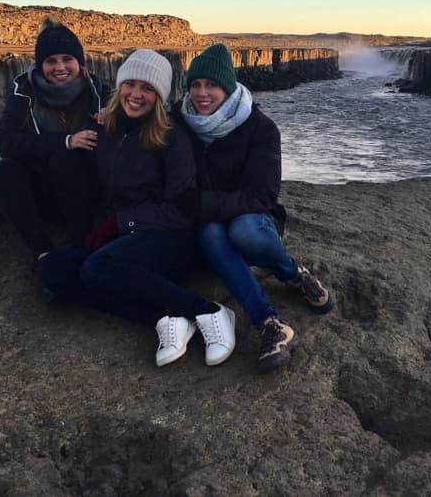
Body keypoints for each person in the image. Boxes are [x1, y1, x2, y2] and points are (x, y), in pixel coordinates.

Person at [38, 49, 236, 368]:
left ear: (159, 96)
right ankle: (165, 318)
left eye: (147, 88)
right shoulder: (106, 129)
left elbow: (180, 209)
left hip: (169, 238)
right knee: (53, 270)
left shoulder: (173, 136)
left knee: (97, 269)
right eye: (130, 84)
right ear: (119, 87)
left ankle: (207, 311)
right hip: (122, 242)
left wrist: (121, 223)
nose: (136, 95)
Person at [173, 42, 335, 374]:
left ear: (228, 88)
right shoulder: (179, 121)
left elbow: (263, 196)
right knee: (212, 234)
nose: (202, 93)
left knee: (241, 230)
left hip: (252, 218)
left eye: (212, 85)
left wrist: (204, 203)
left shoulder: (260, 128)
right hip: (207, 222)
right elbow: (140, 127)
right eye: (196, 85)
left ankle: (292, 273)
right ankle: (271, 325)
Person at [0, 17, 106, 260]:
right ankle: (43, 253)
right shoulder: (24, 93)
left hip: (82, 189)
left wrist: (113, 119)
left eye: (67, 59)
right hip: (40, 190)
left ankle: (84, 245)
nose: (60, 67)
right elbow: (6, 142)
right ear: (40, 65)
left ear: (79, 62)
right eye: (51, 61)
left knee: (66, 160)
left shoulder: (99, 92)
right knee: (3, 171)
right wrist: (64, 141)